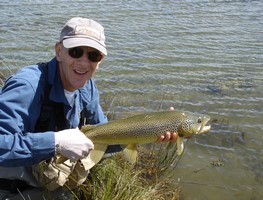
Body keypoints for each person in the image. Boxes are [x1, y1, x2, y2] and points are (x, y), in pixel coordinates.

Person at [0, 17, 178, 199]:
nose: (84, 62)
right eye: (76, 52)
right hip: (12, 187)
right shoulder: (27, 87)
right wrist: (55, 142)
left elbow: (106, 138)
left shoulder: (87, 87)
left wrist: (150, 130)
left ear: (100, 61)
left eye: (93, 56)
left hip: (52, 181)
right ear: (59, 51)